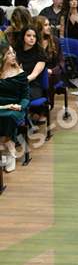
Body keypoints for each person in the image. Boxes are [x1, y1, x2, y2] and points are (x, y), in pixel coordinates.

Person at [0, 44, 29, 173]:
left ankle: (9, 152)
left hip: (15, 108)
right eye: (9, 53)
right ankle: (5, 151)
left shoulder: (20, 74)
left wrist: (21, 106)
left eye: (13, 53)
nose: (13, 56)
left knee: (9, 116)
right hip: (1, 106)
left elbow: (26, 97)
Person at [14, 27, 46, 102]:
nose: (32, 38)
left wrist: (20, 82)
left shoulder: (41, 54)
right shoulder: (16, 52)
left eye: (34, 36)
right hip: (17, 83)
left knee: (17, 96)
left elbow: (33, 75)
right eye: (28, 35)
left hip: (33, 86)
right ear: (23, 37)